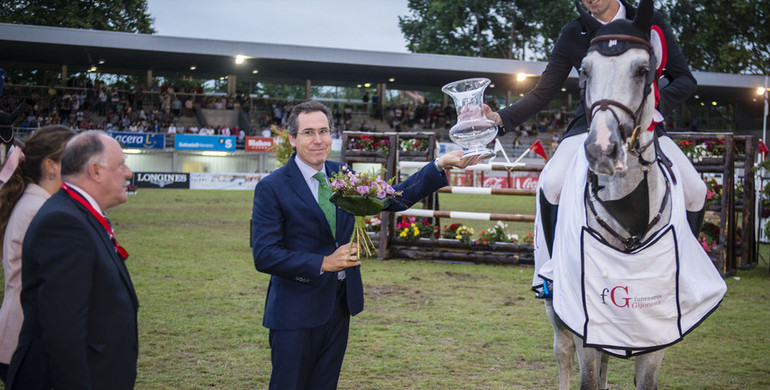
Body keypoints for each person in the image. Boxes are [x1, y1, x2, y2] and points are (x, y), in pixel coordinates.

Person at [251, 101, 480, 389]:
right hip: (294, 313)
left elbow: (391, 197)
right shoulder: (272, 187)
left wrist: (439, 164)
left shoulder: (341, 174)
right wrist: (322, 263)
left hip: (338, 306)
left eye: (324, 131)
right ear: (292, 138)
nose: (319, 140)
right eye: (308, 132)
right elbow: (265, 255)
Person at [482, 0, 706, 296]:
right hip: (589, 126)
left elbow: (685, 80)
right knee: (551, 183)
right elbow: (543, 92)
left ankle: (682, 273)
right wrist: (500, 119)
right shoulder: (573, 33)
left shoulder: (650, 21)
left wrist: (647, 105)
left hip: (644, 125)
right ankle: (552, 274)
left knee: (696, 190)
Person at [7, 131, 138, 390]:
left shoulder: (76, 213)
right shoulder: (65, 223)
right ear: (95, 171)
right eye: (121, 164)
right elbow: (62, 331)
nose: (129, 173)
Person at [0, 126, 75, 384]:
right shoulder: (41, 209)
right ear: (51, 166)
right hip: (28, 338)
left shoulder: (35, 202)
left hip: (20, 333)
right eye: (74, 159)